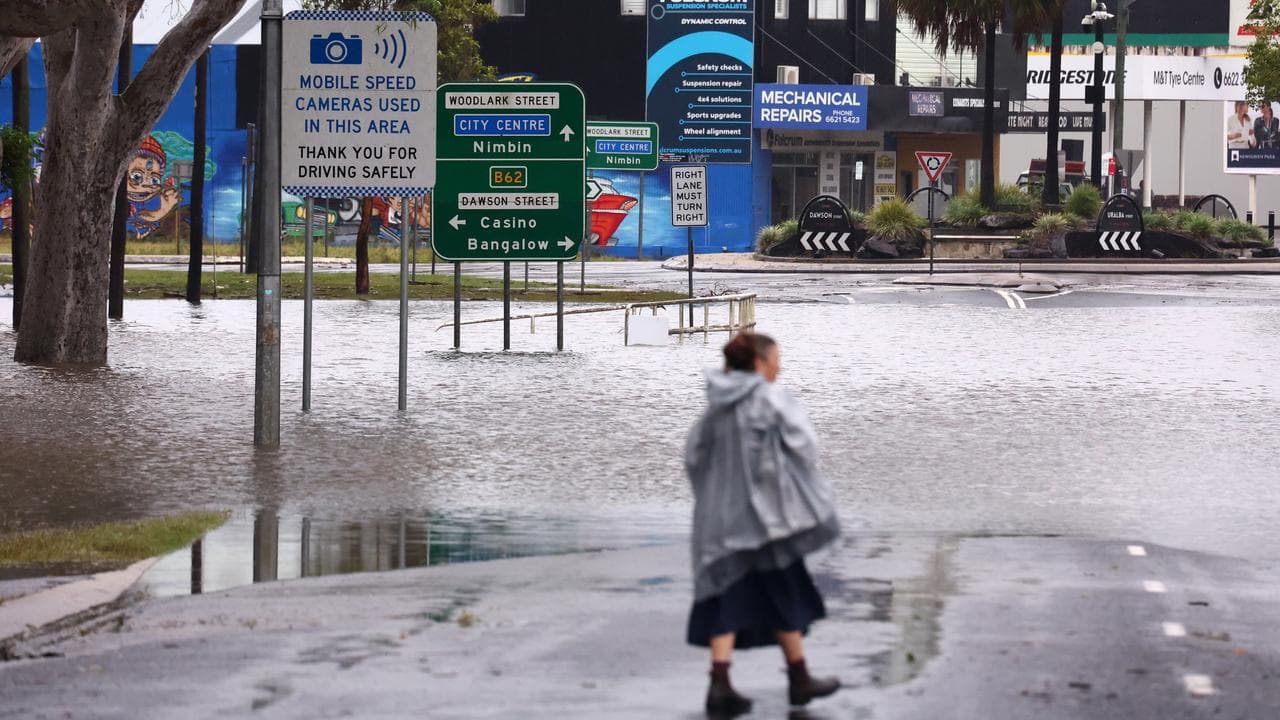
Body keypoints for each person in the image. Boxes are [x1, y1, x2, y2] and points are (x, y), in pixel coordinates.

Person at [685, 332, 842, 716]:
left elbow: (693, 457)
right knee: (784, 588)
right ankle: (798, 678)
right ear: (758, 363)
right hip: (768, 519)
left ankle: (722, 683)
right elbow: (804, 447)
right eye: (775, 360)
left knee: (725, 592)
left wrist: (713, 497)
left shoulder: (714, 407)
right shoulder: (771, 399)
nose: (779, 367)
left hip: (720, 519)